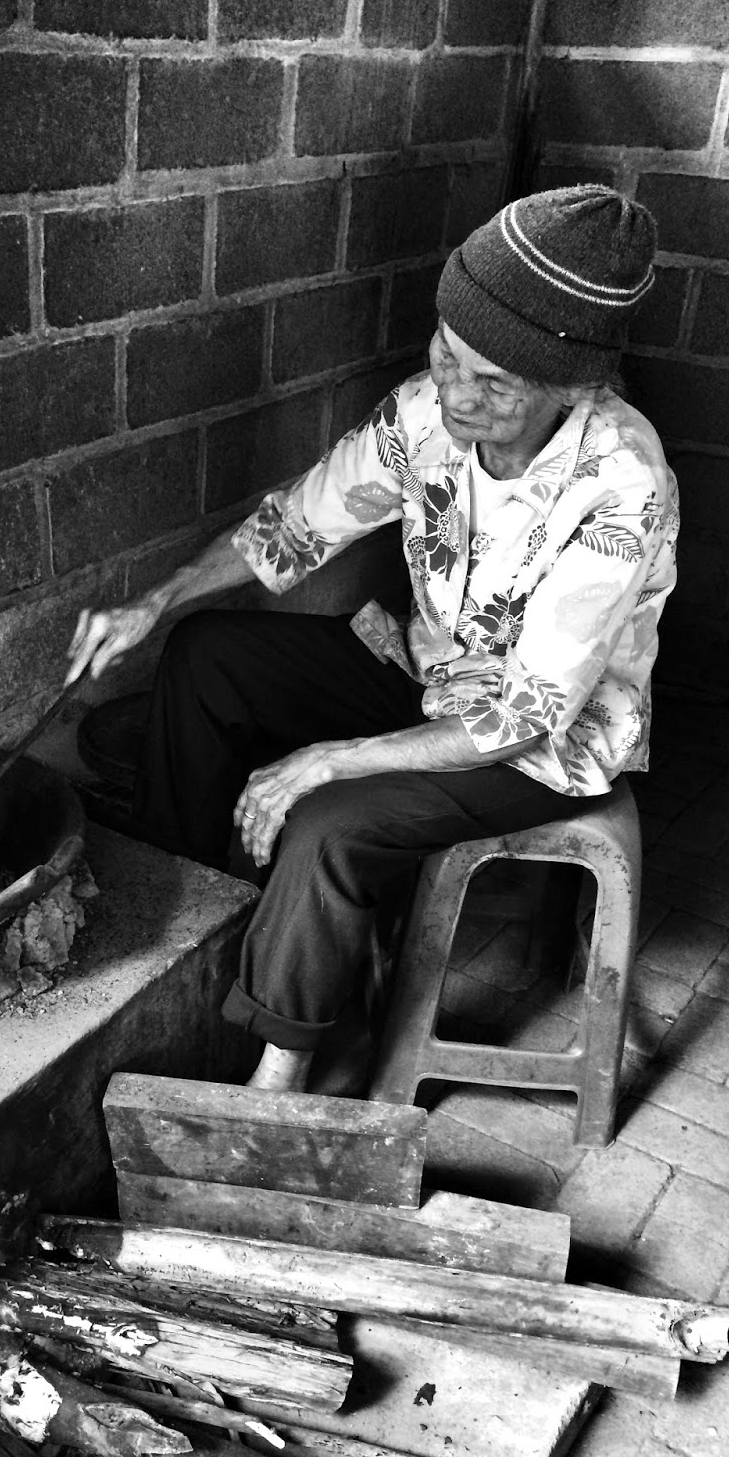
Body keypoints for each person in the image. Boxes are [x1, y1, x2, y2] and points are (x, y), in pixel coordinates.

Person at [66, 184, 679, 1093]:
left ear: (574, 388)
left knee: (330, 822)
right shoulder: (424, 414)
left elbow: (523, 716)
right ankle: (188, 924)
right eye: (446, 352)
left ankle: (277, 1079)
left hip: (539, 742)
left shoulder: (621, 483)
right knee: (206, 658)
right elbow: (295, 525)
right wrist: (154, 603)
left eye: (494, 384)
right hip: (427, 673)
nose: (455, 395)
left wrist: (329, 761)